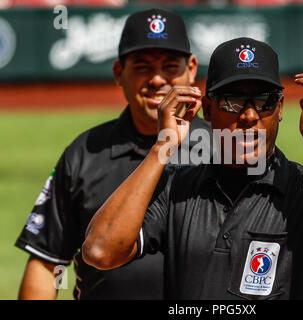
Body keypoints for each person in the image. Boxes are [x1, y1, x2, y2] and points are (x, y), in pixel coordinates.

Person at [82, 37, 303, 299]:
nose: (249, 116)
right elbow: (100, 251)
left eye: (264, 101)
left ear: (280, 110)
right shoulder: (176, 190)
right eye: (232, 101)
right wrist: (161, 149)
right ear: (208, 108)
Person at [15, 8, 210, 300]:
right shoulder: (85, 153)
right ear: (119, 73)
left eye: (170, 66)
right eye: (143, 66)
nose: (157, 79)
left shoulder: (223, 149)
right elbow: (48, 262)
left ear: (191, 69)